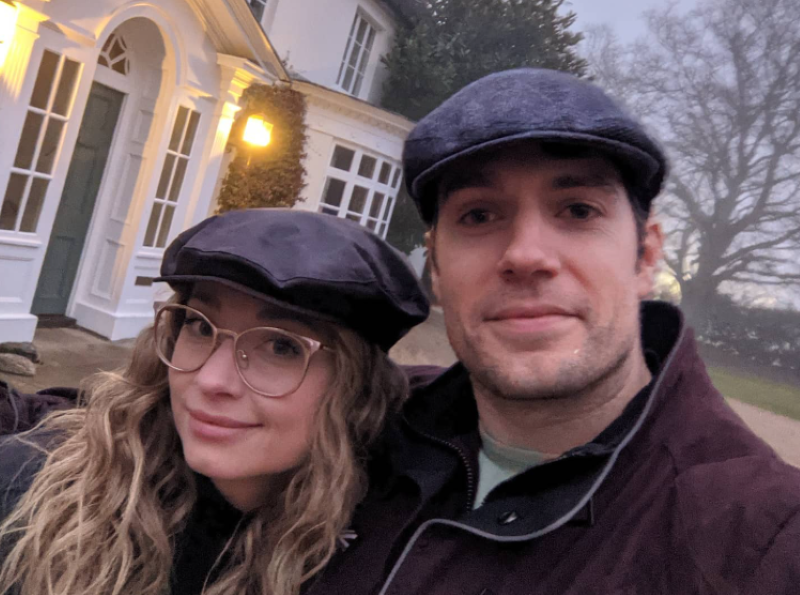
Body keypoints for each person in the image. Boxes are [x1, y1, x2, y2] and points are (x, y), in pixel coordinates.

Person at [304, 69, 800, 594]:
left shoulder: (762, 543)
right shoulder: (354, 430)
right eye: (478, 215)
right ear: (438, 270)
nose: (526, 255)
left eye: (579, 210)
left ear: (645, 256)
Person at [0, 208, 429, 595]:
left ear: (355, 388)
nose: (210, 379)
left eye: (281, 346)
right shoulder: (37, 494)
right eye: (200, 326)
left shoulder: (381, 560)